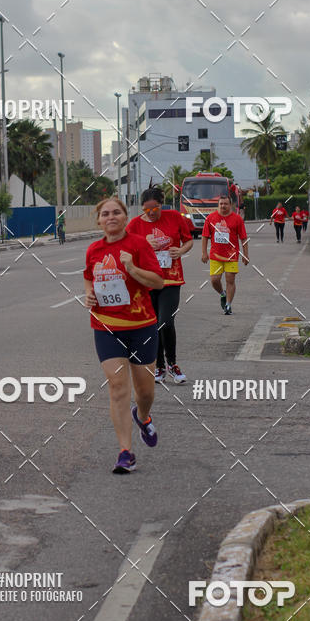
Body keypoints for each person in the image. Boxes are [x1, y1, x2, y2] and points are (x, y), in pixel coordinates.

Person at [83, 197, 164, 474]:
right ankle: (125, 452)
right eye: (105, 213)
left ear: (125, 216)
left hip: (141, 325)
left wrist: (132, 269)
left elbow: (158, 281)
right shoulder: (93, 249)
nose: (111, 217)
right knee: (118, 387)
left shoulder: (138, 244)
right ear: (99, 220)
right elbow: (88, 277)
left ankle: (142, 416)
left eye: (116, 212)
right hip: (106, 326)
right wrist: (89, 295)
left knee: (145, 391)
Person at [126, 186, 193, 384]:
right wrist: (143, 244)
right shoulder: (135, 225)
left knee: (166, 321)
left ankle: (172, 364)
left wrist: (180, 251)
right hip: (146, 281)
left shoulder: (174, 217)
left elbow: (188, 241)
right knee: (153, 325)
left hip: (170, 279)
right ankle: (159, 367)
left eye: (155, 208)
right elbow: (126, 249)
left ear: (161, 205)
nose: (151, 213)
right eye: (147, 209)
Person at [201, 194, 249, 316]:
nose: (223, 206)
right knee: (215, 280)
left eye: (225, 203)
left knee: (230, 280)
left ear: (230, 205)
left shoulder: (237, 219)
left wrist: (245, 255)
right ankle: (223, 293)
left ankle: (228, 305)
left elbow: (243, 238)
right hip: (216, 256)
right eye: (221, 203)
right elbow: (205, 236)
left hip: (231, 256)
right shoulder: (211, 218)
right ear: (218, 204)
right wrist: (204, 253)